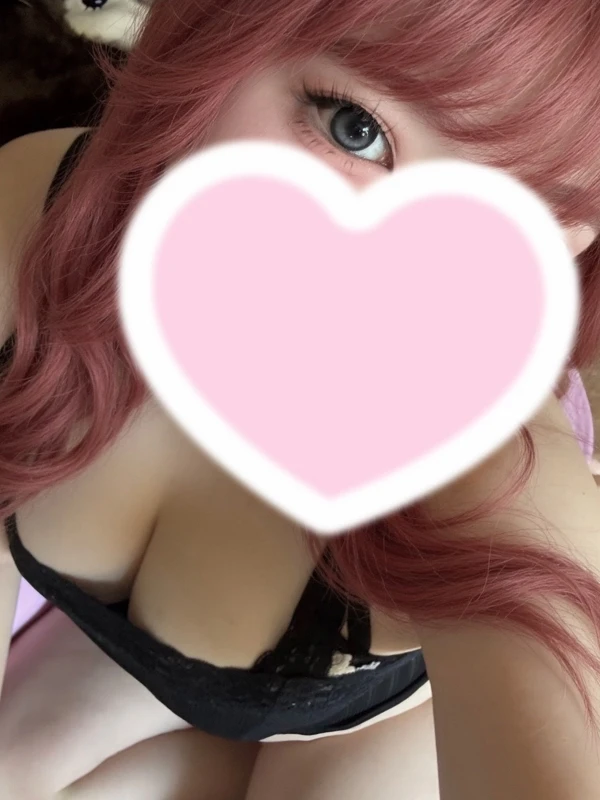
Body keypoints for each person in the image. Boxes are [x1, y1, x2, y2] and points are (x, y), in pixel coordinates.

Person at [1, 0, 600, 797]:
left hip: (373, 717)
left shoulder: (503, 472)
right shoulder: (32, 228)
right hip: (121, 658)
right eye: (355, 129)